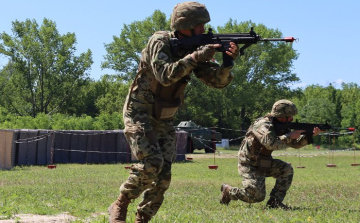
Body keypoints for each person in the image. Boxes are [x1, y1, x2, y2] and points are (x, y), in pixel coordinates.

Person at [108, 1, 240, 222]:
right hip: (139, 112)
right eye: (199, 25)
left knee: (164, 176)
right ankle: (121, 203)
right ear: (185, 24)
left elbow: (216, 82)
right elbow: (165, 75)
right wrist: (196, 57)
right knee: (152, 163)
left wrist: (226, 65)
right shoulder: (160, 41)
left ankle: (142, 218)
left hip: (164, 116)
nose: (203, 30)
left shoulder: (193, 49)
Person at [220, 99, 321, 209]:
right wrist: (289, 136)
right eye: (288, 117)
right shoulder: (262, 125)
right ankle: (229, 191)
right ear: (280, 116)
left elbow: (295, 144)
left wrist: (308, 136)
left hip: (264, 161)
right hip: (249, 163)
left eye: (292, 117)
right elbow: (270, 144)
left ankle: (275, 202)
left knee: (286, 170)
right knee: (256, 196)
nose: (290, 120)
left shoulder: (282, 126)